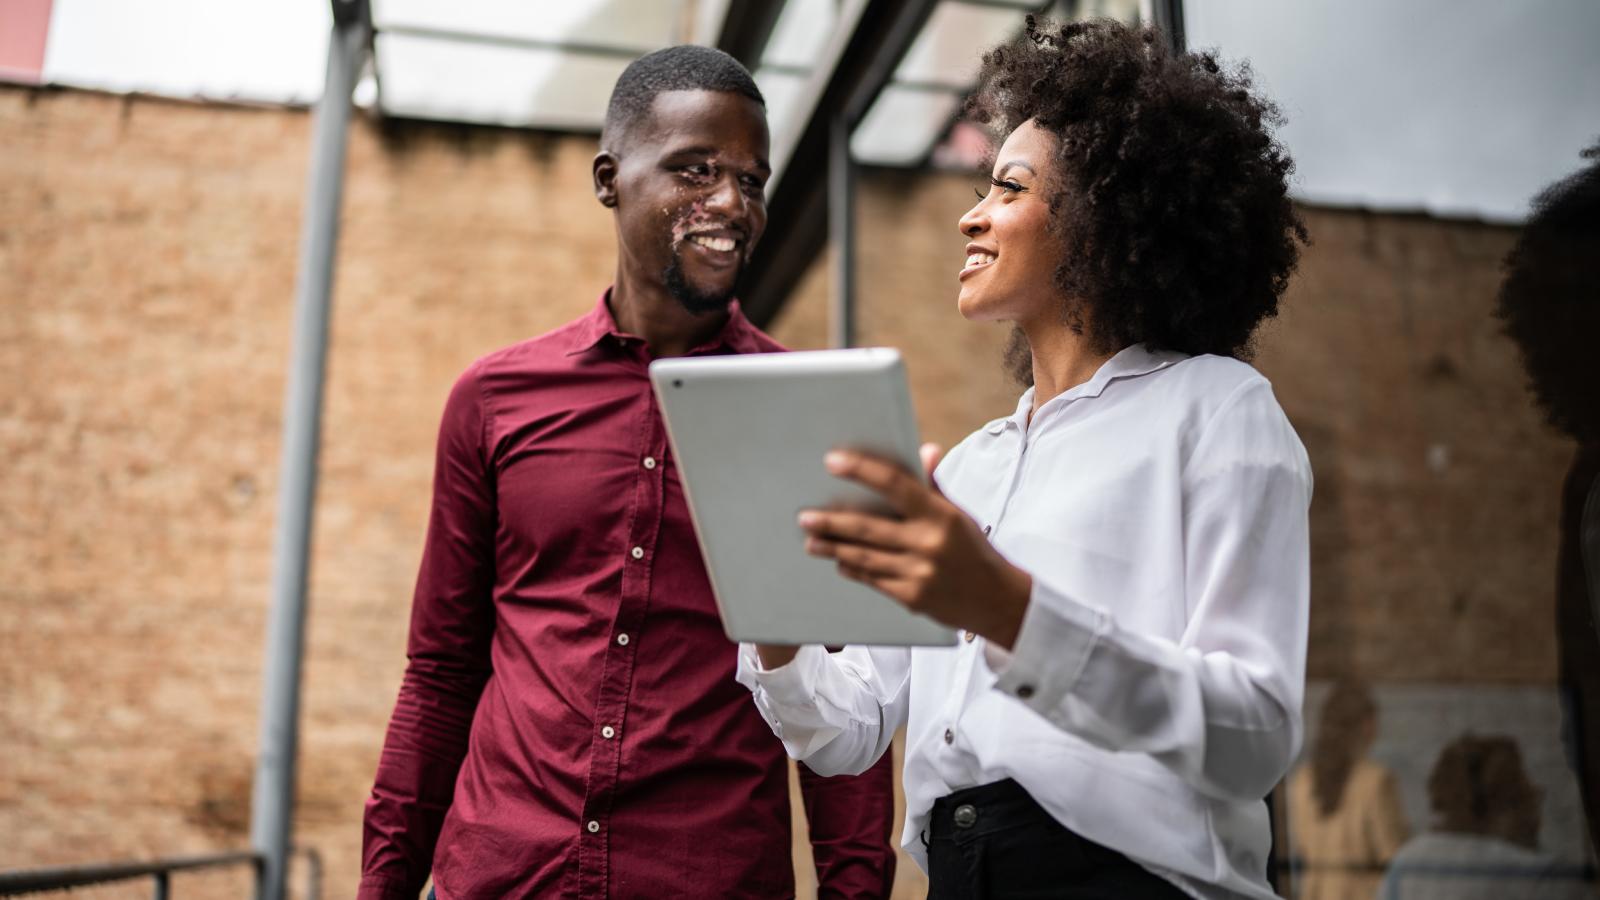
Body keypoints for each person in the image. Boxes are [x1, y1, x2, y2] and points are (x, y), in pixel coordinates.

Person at [738, 17, 1311, 900]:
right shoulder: (967, 469)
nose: (971, 213)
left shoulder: (1218, 410)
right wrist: (771, 608)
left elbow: (1253, 737)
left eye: (1009, 187)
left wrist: (1009, 609)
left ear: (1103, 218)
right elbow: (847, 729)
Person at [358, 46, 897, 900]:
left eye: (751, 181)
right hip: (499, 876)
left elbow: (842, 705)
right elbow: (441, 673)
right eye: (695, 170)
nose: (731, 204)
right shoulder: (493, 400)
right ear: (610, 178)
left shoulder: (810, 414)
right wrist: (383, 887)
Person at [1379, 734, 1586, 900]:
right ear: (1503, 809)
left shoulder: (1407, 862)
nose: (1535, 816)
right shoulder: (1544, 878)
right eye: (1528, 797)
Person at [1287, 681, 1409, 899]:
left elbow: (1301, 850)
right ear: (1366, 724)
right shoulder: (1376, 781)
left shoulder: (1302, 781)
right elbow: (1394, 858)